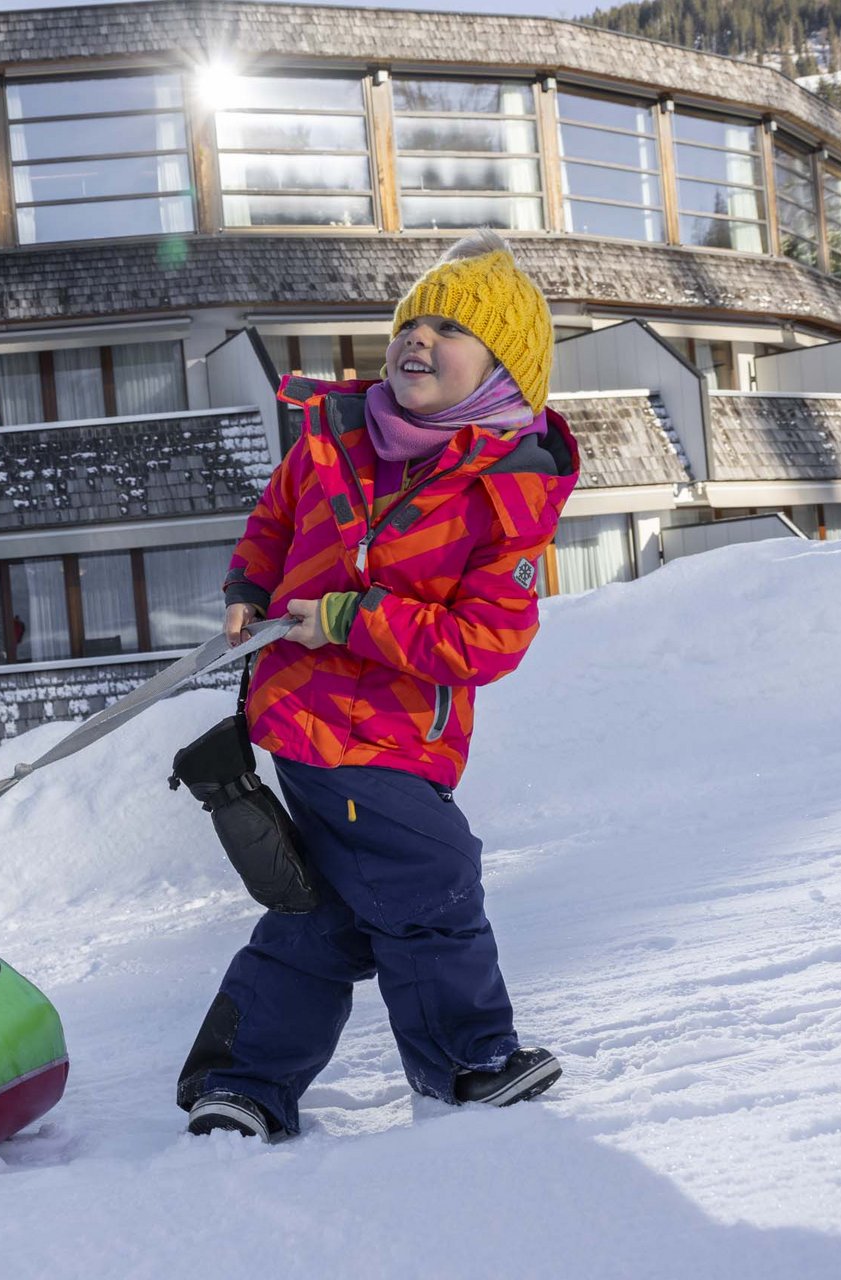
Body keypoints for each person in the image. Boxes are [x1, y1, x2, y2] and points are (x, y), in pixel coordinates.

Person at [176, 229, 580, 1140]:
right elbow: (274, 521)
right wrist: (249, 586)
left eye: (451, 329)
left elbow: (487, 641)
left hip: (403, 731)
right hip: (318, 725)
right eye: (415, 320)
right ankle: (467, 1065)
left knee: (331, 917)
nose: (421, 340)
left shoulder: (505, 495)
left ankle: (239, 1085)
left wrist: (354, 617)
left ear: (501, 371)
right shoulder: (332, 437)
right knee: (432, 875)